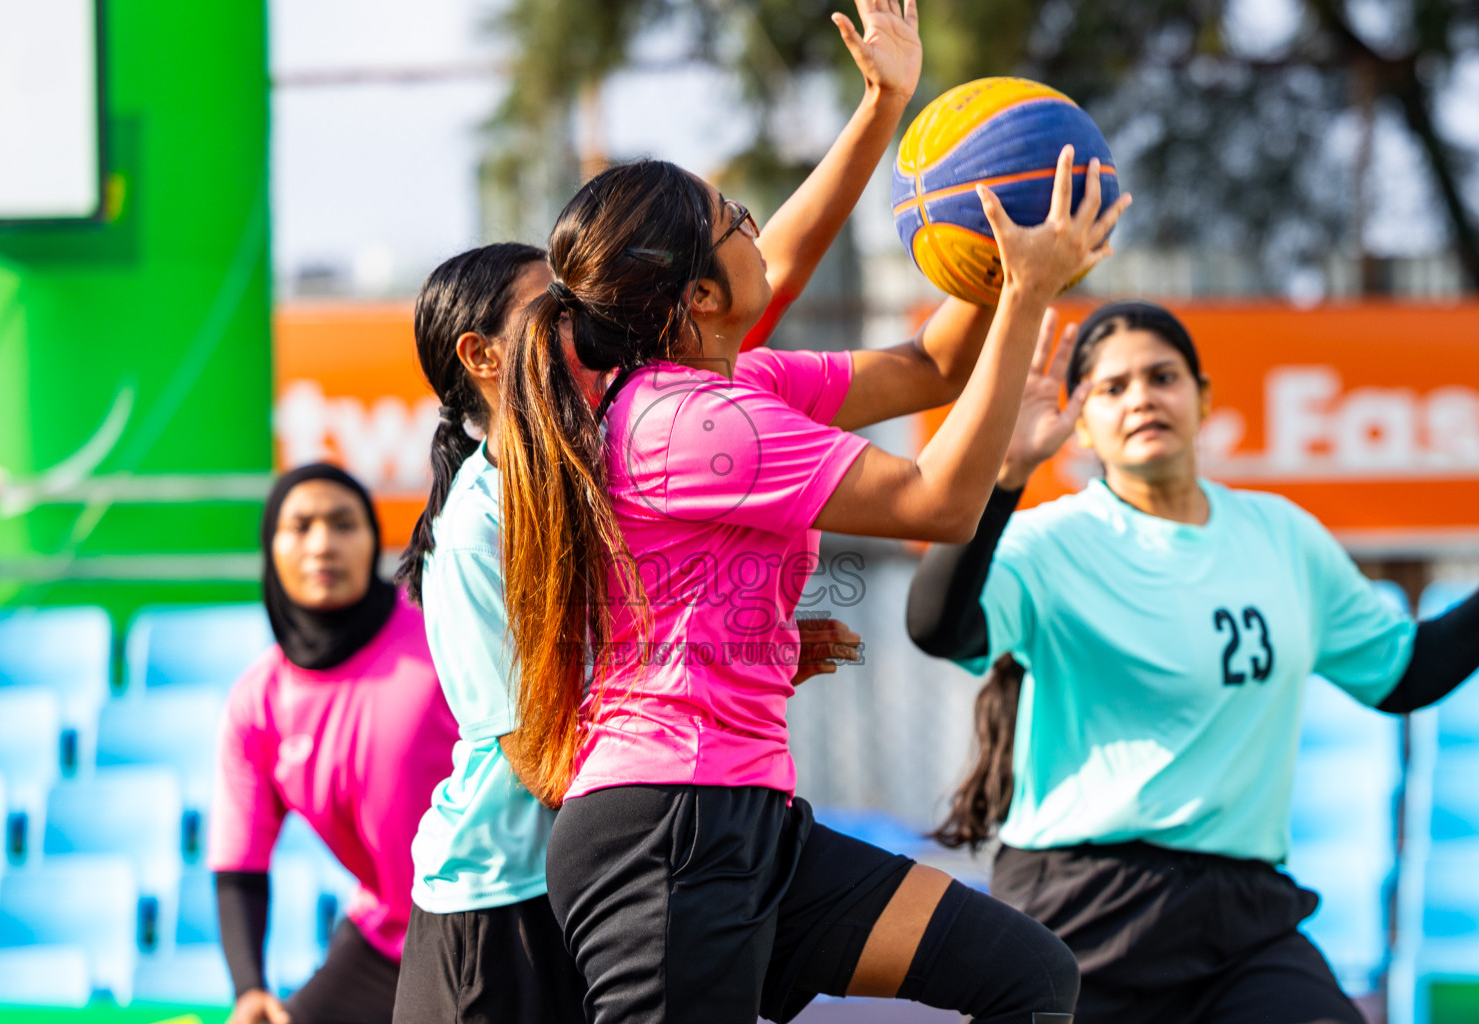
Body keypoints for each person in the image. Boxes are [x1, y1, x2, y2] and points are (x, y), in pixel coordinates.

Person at [495, 118, 1128, 1021]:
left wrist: (1000, 242)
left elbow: (935, 364)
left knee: (1027, 976)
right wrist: (1027, 293)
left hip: (742, 817)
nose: (762, 234)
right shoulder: (686, 422)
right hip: (668, 831)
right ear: (703, 292)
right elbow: (937, 505)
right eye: (739, 221)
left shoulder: (741, 386)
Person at [391, 4, 951, 1020]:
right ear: (484, 358)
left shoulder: (624, 424)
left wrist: (881, 111)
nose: (579, 313)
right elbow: (533, 748)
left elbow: (757, 277)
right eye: (547, 307)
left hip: (609, 867)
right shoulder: (483, 518)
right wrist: (689, 736)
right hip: (501, 903)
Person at [905, 300, 1479, 1024]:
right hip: (1084, 909)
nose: (1141, 396)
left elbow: (1405, 673)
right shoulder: (1052, 543)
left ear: (1204, 397)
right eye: (1112, 388)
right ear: (1080, 421)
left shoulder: (1281, 535)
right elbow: (935, 627)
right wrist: (1003, 476)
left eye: (1162, 376)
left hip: (1244, 914)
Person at [211, 464, 460, 1024]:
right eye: (300, 527)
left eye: (343, 524)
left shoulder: (444, 628)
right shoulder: (258, 703)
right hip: (390, 940)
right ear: (270, 547)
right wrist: (249, 988)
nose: (322, 544)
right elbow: (239, 863)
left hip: (497, 925)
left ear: (373, 540)